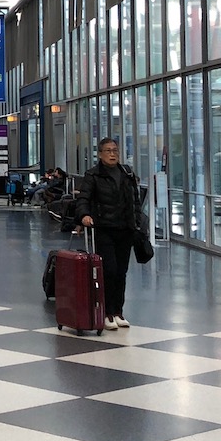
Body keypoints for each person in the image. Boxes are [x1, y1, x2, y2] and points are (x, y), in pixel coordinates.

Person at [75, 138, 142, 331]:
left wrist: (136, 221)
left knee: (121, 272)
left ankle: (118, 311)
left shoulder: (127, 173)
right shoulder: (93, 175)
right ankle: (106, 312)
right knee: (109, 271)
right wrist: (84, 216)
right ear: (100, 154)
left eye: (115, 150)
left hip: (125, 229)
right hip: (104, 229)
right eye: (108, 151)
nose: (112, 154)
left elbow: (135, 200)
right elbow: (84, 198)